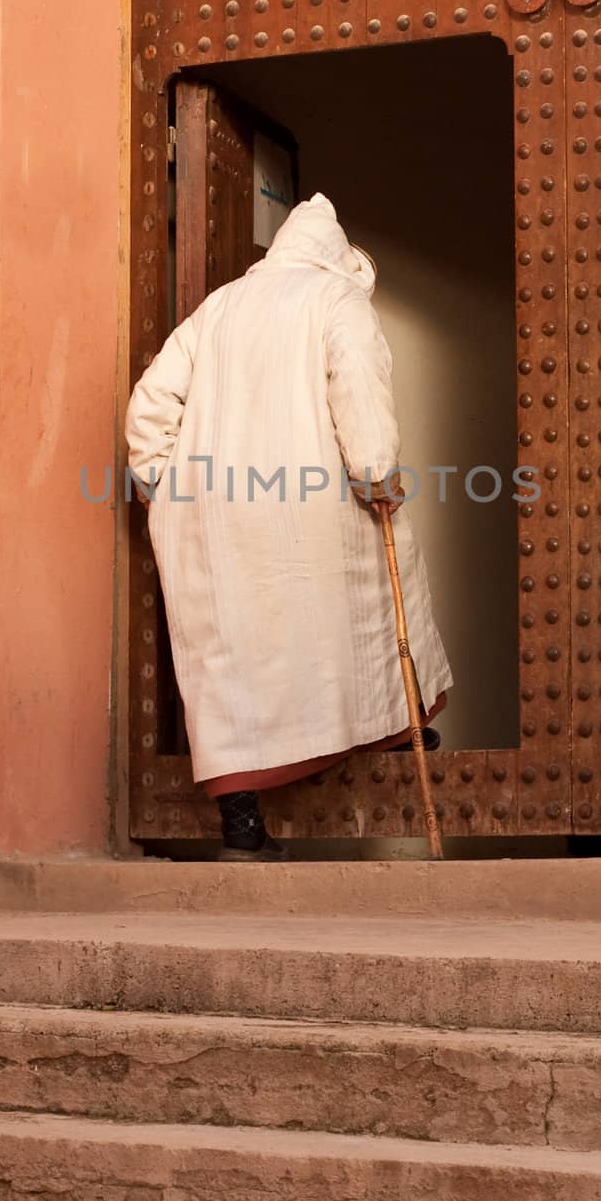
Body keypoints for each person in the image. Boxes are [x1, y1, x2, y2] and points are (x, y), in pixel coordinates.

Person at [125, 191, 452, 859]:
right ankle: (393, 734)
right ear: (339, 262)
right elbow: (358, 396)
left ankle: (242, 826)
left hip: (216, 510)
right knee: (351, 625)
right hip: (313, 506)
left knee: (236, 658)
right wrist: (374, 476)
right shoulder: (337, 304)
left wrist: (168, 488)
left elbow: (150, 404)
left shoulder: (216, 309)